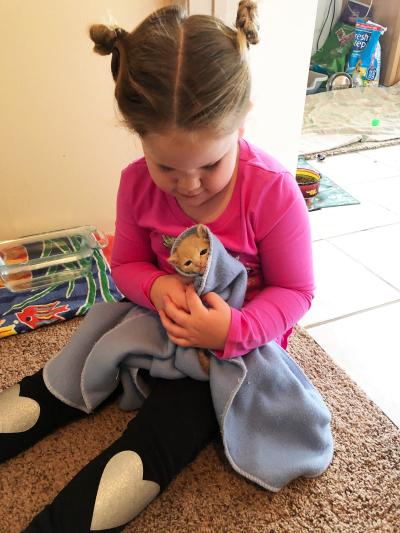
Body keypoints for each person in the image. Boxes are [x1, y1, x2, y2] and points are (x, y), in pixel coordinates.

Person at [0, 2, 317, 531]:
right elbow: (123, 264)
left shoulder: (274, 192)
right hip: (152, 321)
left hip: (231, 349)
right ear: (137, 134)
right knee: (71, 368)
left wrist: (231, 330)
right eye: (166, 166)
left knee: (162, 436)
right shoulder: (134, 183)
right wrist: (157, 284)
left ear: (243, 119)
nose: (188, 185)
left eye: (210, 165)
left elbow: (296, 291)